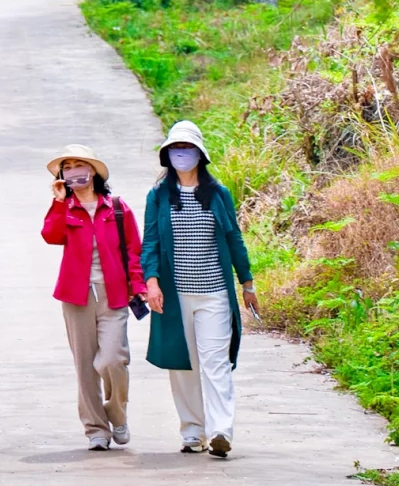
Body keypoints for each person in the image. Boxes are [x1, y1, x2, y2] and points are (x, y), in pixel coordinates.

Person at [140, 120, 258, 459]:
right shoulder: (159, 195)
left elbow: (234, 239)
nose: (182, 154)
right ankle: (193, 431)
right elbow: (150, 241)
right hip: (175, 296)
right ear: (167, 155)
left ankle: (221, 430)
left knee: (214, 361)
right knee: (182, 363)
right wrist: (151, 282)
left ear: (200, 154)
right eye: (176, 149)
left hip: (214, 294)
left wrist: (246, 283)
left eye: (188, 148)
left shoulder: (218, 194)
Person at [42, 146, 147, 452]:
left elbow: (133, 250)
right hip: (76, 297)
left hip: (113, 294)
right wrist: (59, 202)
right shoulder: (66, 207)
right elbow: (51, 235)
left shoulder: (115, 207)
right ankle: (95, 429)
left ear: (94, 171)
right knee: (85, 366)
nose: (74, 170)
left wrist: (138, 285)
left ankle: (116, 412)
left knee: (113, 359)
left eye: (80, 165)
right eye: (68, 167)